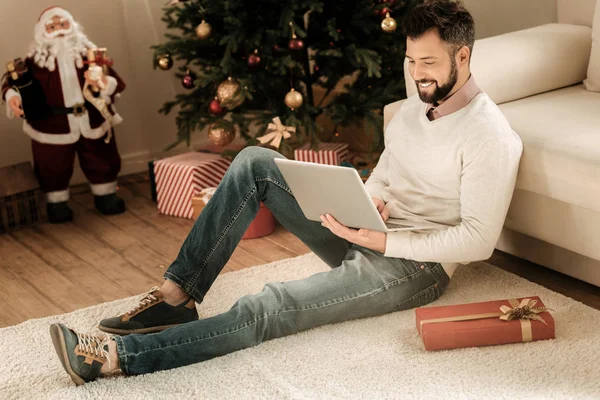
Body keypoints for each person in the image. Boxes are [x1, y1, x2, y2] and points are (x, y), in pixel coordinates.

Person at [49, 0, 523, 386]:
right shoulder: (415, 105)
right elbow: (386, 170)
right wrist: (369, 202)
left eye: (428, 62)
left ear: (463, 57)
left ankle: (117, 357)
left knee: (271, 304)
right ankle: (177, 293)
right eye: (410, 59)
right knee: (256, 161)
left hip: (415, 268)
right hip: (369, 231)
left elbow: (479, 241)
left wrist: (385, 242)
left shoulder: (491, 136)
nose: (417, 72)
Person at [2, 7, 126, 223]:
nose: (58, 30)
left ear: (73, 26)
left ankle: (106, 194)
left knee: (101, 157)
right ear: (43, 32)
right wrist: (13, 96)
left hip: (92, 117)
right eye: (52, 26)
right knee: (52, 164)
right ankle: (56, 202)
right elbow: (12, 84)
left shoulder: (90, 54)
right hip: (51, 123)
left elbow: (112, 79)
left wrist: (104, 83)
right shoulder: (34, 61)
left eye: (63, 24)